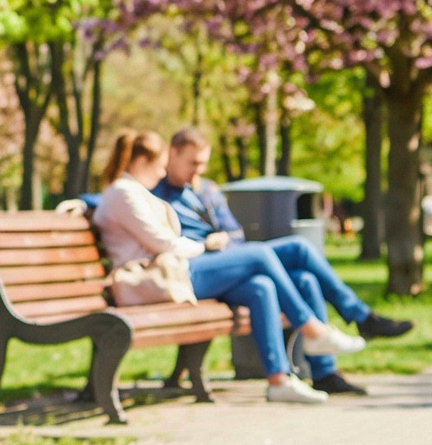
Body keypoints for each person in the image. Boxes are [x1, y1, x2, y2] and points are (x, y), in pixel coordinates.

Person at [92, 131, 369, 403]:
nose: (162, 172)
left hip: (173, 274)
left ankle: (279, 380)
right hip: (159, 280)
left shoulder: (136, 192)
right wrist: (205, 246)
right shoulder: (124, 192)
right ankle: (313, 330)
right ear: (142, 161)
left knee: (261, 286)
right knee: (260, 254)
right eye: (160, 166)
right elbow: (163, 243)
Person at [154, 127, 409, 395]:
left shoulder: (206, 190)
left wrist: (225, 242)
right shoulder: (156, 194)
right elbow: (159, 242)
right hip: (198, 269)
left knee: (294, 280)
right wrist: (206, 245)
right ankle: (344, 322)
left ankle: (319, 374)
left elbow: (236, 233)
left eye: (203, 164)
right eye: (193, 163)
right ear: (173, 153)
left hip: (230, 264)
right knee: (285, 250)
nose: (198, 171)